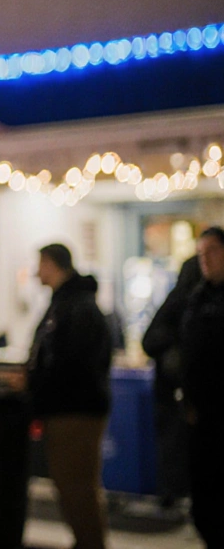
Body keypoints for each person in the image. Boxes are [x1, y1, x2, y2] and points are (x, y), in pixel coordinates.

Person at [27, 244, 111, 549]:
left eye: (40, 264)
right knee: (72, 488)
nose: (37, 271)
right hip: (66, 408)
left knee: (78, 489)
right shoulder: (67, 304)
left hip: (75, 411)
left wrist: (39, 382)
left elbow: (73, 362)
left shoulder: (76, 307)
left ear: (52, 264)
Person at [141, 254, 199, 510]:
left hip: (178, 394)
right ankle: (173, 496)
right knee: (175, 448)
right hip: (174, 393)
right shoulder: (183, 302)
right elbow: (150, 341)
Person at [180, 226, 224, 548]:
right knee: (205, 501)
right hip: (202, 416)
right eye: (200, 254)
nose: (205, 260)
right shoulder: (197, 297)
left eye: (211, 252)